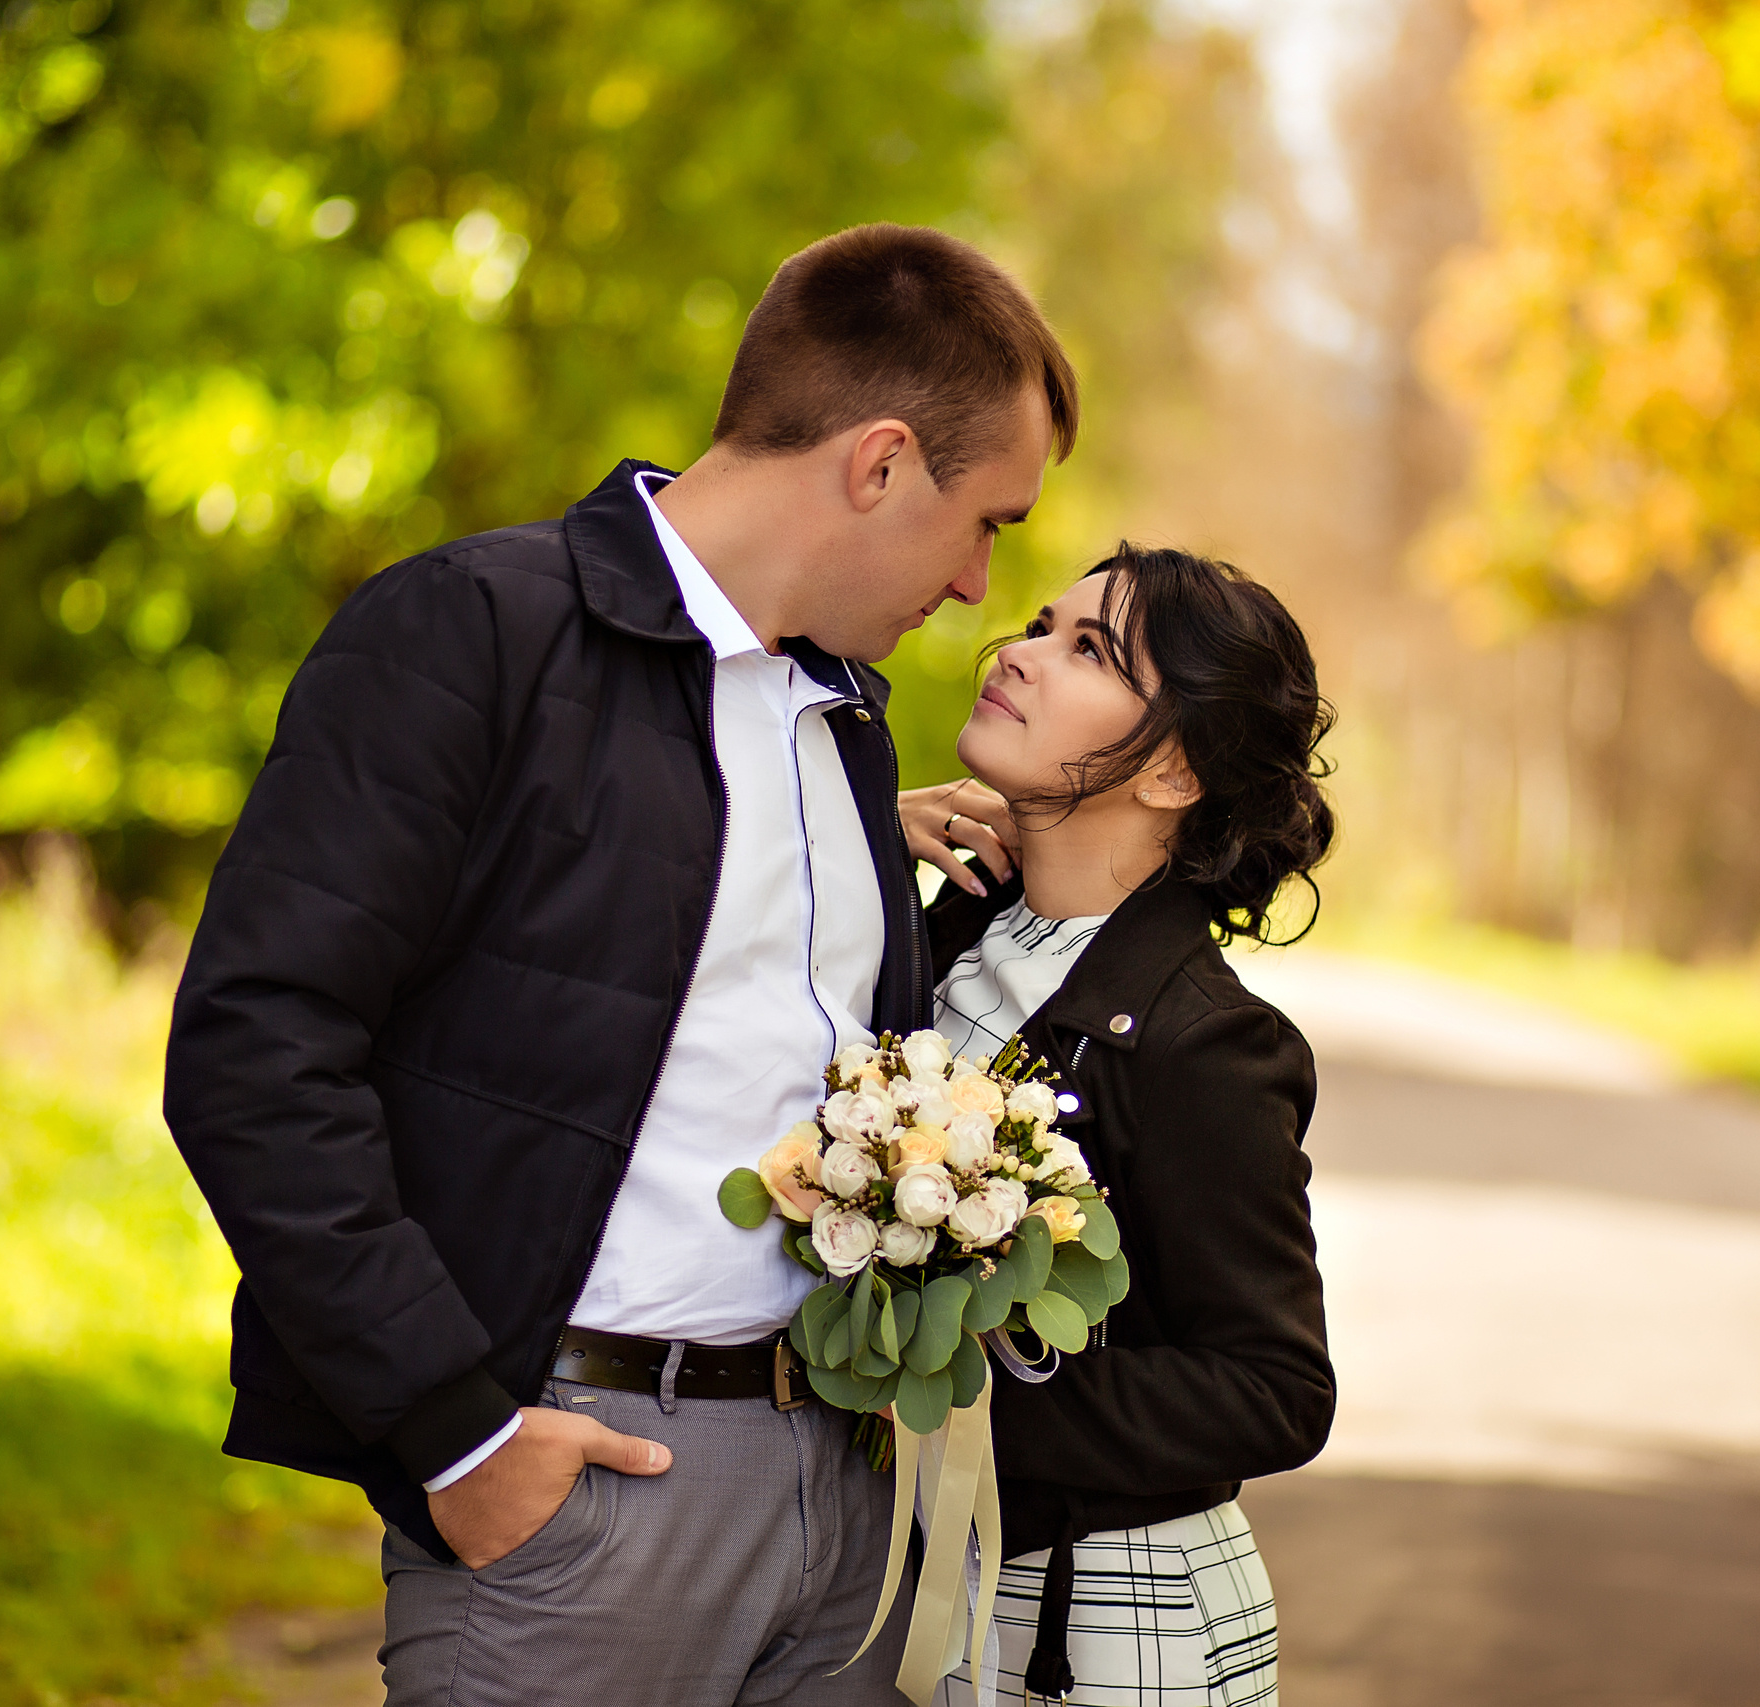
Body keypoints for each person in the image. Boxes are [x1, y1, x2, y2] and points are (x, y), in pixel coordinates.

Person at [164, 223, 1078, 1706]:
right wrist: (456, 1433)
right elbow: (255, 1049)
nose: (980, 584)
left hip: (839, 1508)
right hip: (584, 1493)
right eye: (989, 522)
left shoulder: (843, 720)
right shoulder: (471, 632)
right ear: (882, 462)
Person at [898, 544, 1338, 1706]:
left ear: (1175, 775)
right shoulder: (942, 937)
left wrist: (965, 1402)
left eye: (1089, 650)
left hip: (1107, 1631)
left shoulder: (1208, 1045)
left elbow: (1274, 1388)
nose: (1022, 655)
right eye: (1044, 625)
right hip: (932, 1598)